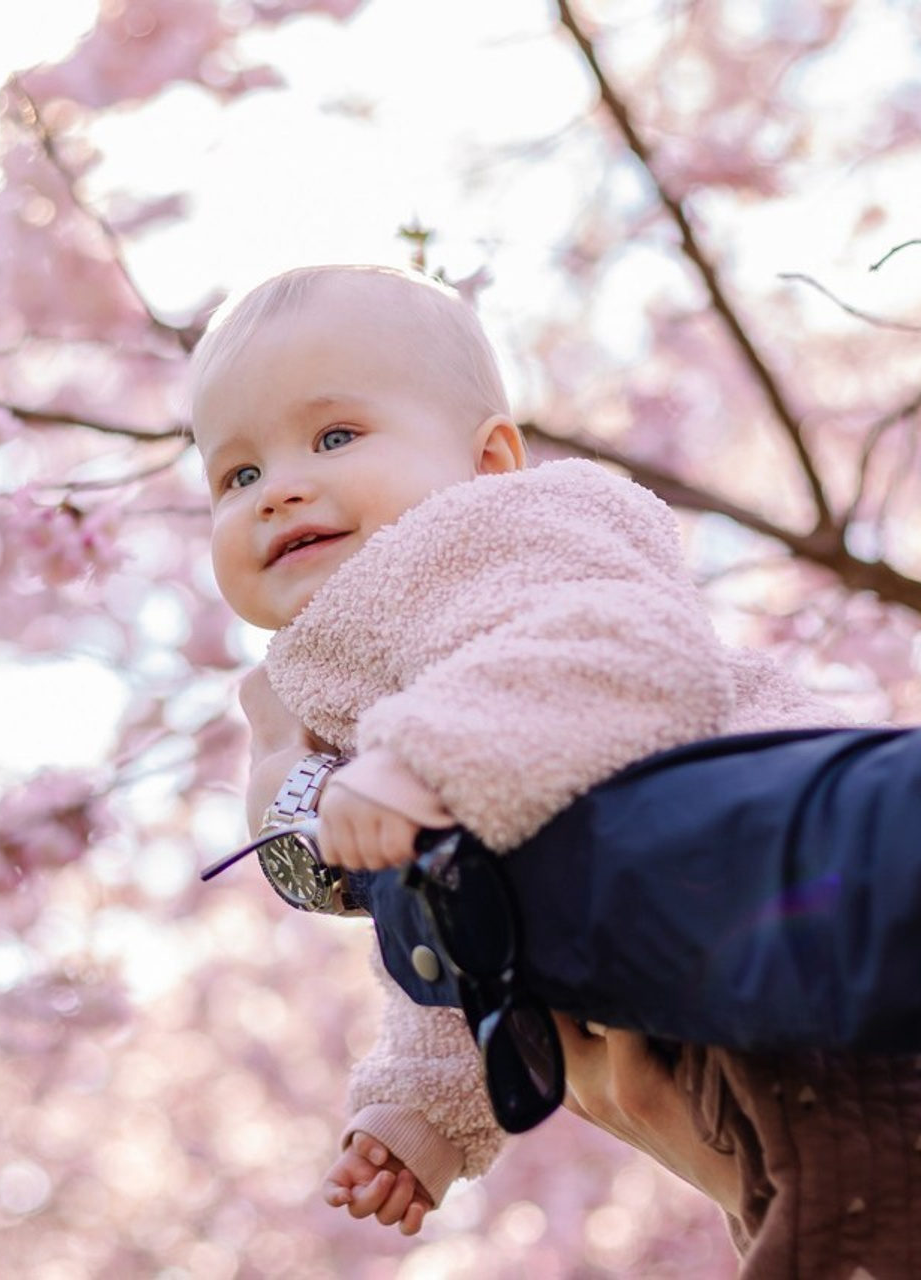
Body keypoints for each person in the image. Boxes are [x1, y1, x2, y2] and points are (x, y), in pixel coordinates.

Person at [191, 262, 921, 1275]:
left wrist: (423, 760)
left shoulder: (494, 542)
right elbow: (461, 899)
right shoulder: (380, 664)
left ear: (489, 460)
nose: (280, 488)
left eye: (334, 436)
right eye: (235, 475)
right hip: (717, 1011)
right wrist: (425, 1108)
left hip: (811, 942)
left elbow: (624, 654)